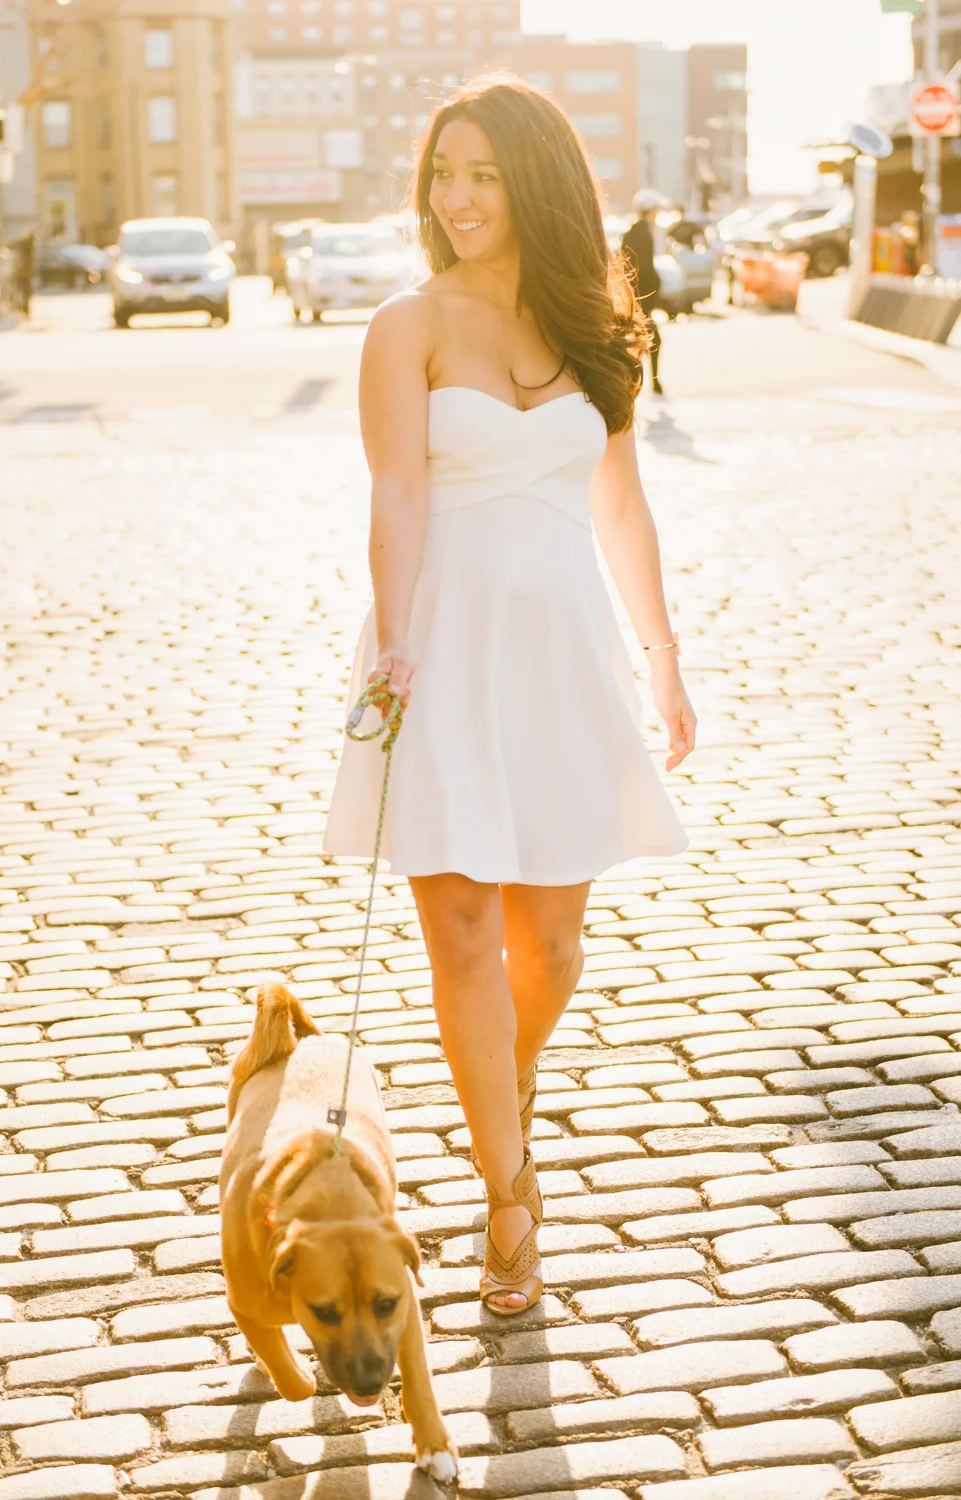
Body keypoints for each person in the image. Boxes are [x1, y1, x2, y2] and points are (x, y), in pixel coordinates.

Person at [322, 75, 694, 1317]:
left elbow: (621, 507)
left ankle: (501, 1092)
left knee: (551, 945)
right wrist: (393, 640)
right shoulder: (405, 326)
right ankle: (507, 1195)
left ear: (533, 182)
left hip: (562, 656)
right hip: (437, 644)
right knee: (462, 928)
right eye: (442, 174)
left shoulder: (598, 325)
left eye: (481, 174)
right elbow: (395, 492)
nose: (457, 198)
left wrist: (662, 656)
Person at [621, 189, 665, 395]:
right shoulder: (644, 234)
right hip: (643, 297)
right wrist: (656, 285)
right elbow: (646, 268)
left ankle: (637, 384)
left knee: (639, 341)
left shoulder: (632, 233)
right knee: (649, 340)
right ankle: (648, 383)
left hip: (633, 295)